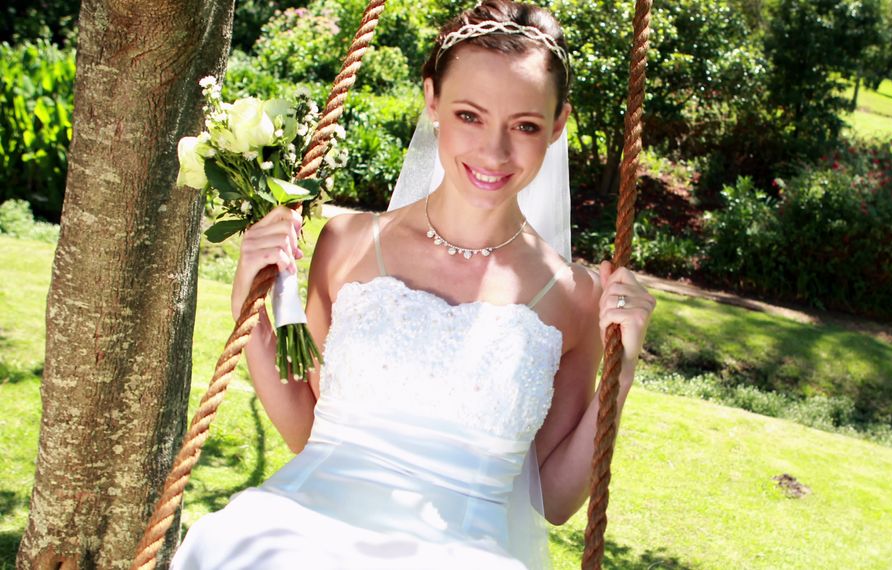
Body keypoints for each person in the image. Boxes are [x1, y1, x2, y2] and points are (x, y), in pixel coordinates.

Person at [171, 1, 655, 568]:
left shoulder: (574, 296)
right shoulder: (347, 243)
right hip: (305, 523)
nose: (494, 152)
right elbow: (308, 429)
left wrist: (621, 372)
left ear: (557, 126)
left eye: (523, 125)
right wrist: (246, 301)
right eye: (470, 116)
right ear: (432, 102)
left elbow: (554, 500)